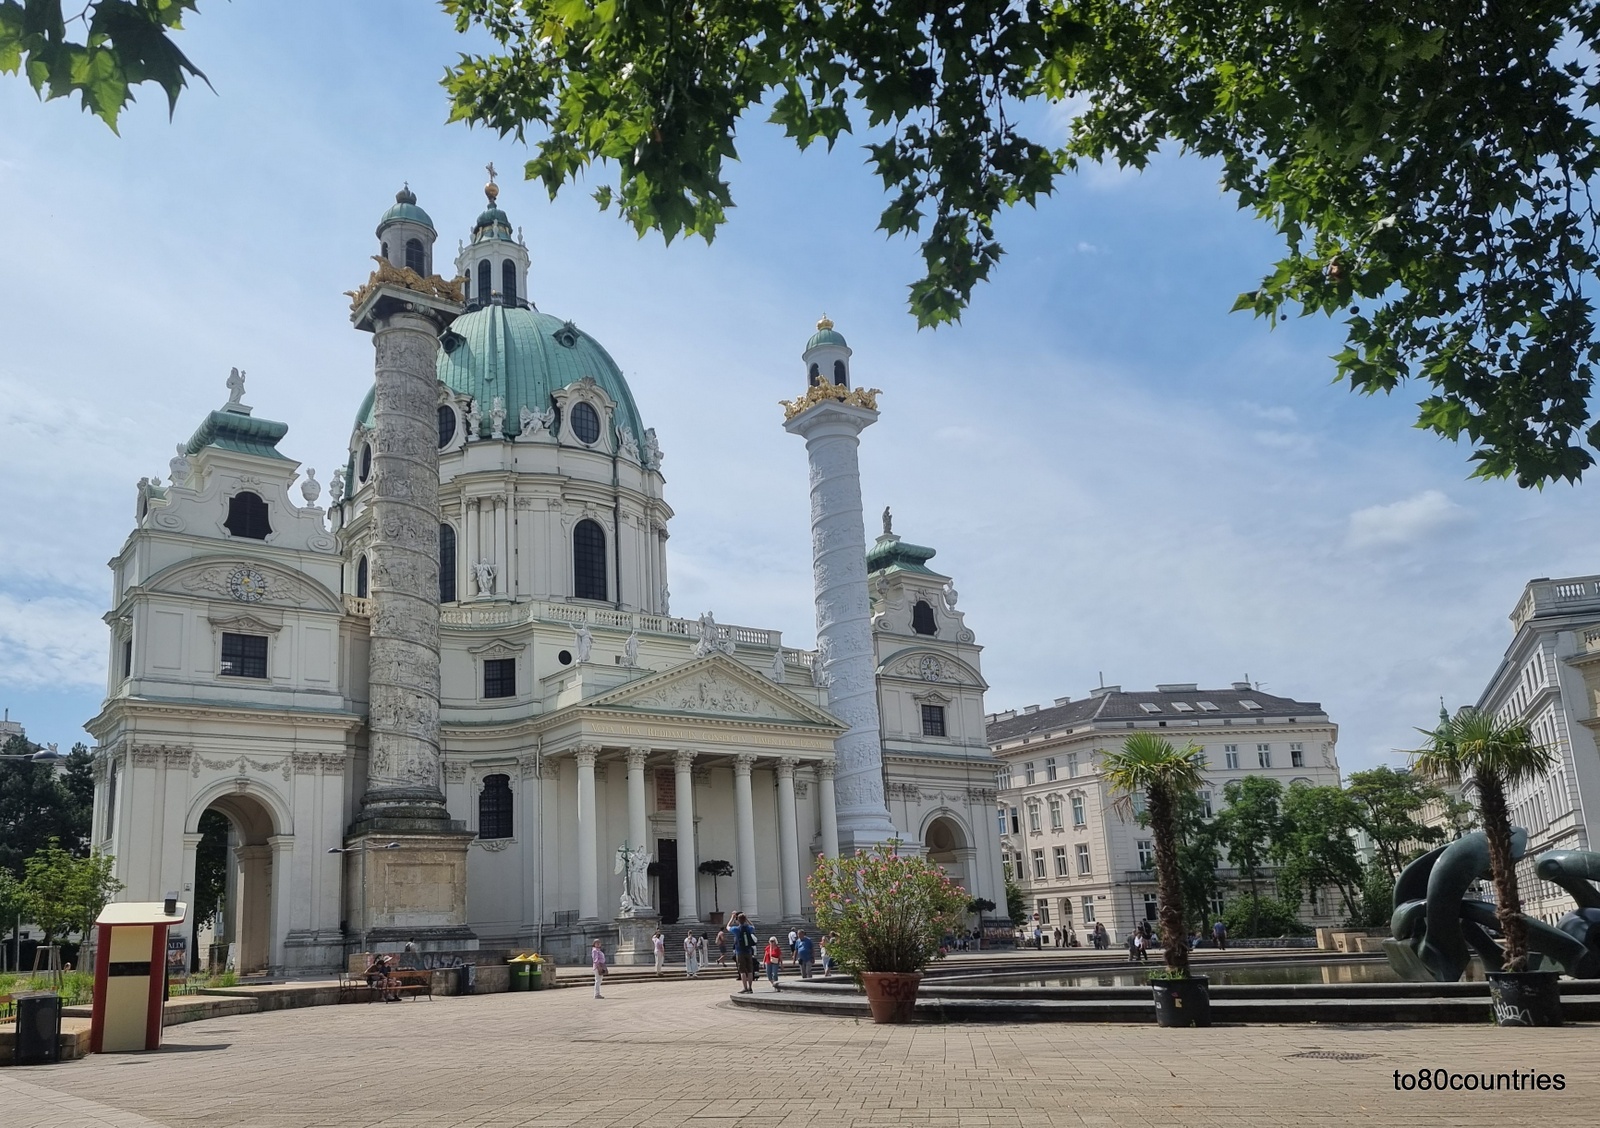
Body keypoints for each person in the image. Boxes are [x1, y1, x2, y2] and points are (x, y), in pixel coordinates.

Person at [731, 912, 759, 994]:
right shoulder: (749, 928)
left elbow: (727, 927)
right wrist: (747, 919)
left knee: (742, 971)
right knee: (750, 970)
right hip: (748, 951)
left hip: (740, 952)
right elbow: (753, 926)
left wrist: (732, 918)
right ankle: (750, 988)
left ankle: (745, 988)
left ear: (738, 921)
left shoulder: (736, 929)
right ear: (745, 920)